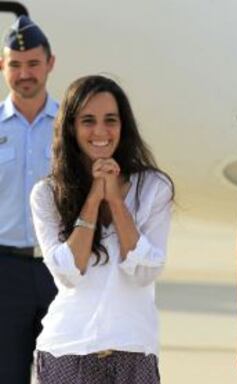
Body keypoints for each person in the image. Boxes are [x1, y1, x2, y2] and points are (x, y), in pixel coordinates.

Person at [30, 75, 174, 383]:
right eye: (88, 121)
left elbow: (145, 272)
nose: (100, 131)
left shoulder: (153, 188)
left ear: (124, 126)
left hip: (133, 351)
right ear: (71, 127)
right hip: (66, 351)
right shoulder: (46, 194)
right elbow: (69, 273)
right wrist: (94, 198)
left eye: (110, 120)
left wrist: (117, 202)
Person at [0, 15, 57, 384]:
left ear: (50, 64)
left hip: (61, 269)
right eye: (16, 65)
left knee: (63, 373)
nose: (25, 74)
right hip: (6, 273)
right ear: (2, 65)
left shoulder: (71, 126)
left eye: (33, 64)